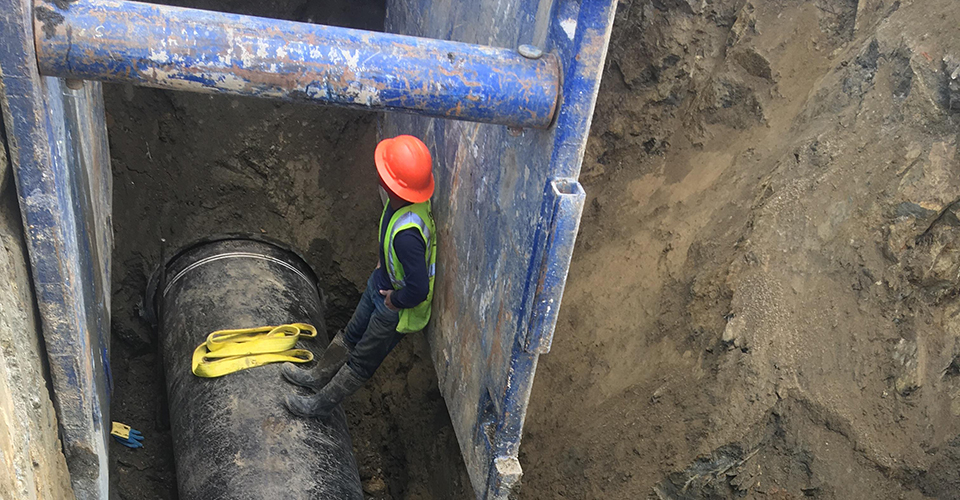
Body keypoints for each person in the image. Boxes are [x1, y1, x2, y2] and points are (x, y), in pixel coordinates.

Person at [282, 135, 437, 418]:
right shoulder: (401, 204)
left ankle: (318, 406)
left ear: (394, 185)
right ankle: (317, 377)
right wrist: (383, 264)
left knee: (362, 360)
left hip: (394, 308)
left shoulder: (408, 237)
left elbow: (419, 289)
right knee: (351, 335)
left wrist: (394, 301)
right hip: (380, 284)